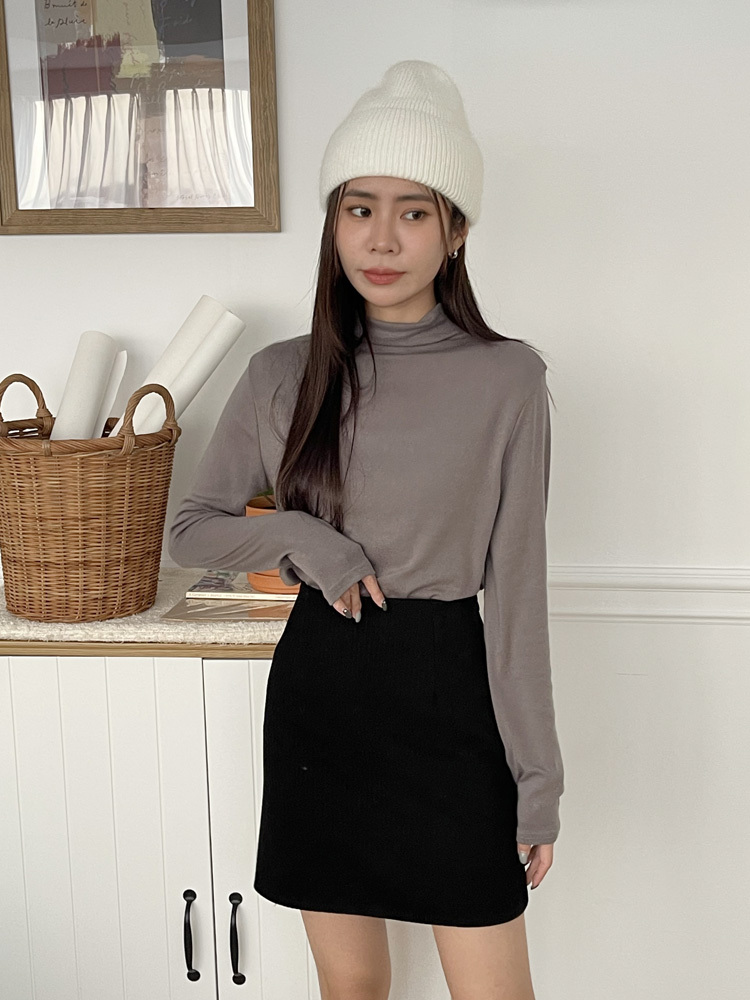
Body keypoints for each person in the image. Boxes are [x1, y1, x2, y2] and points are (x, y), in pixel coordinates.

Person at [168, 59, 564, 1000]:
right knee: (350, 989)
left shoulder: (508, 381)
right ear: (334, 222)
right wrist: (311, 540)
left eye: (414, 212)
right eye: (359, 208)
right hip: (324, 696)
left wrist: (537, 781)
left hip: (450, 698)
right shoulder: (281, 374)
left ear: (456, 232)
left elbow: (517, 598)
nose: (382, 238)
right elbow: (192, 529)